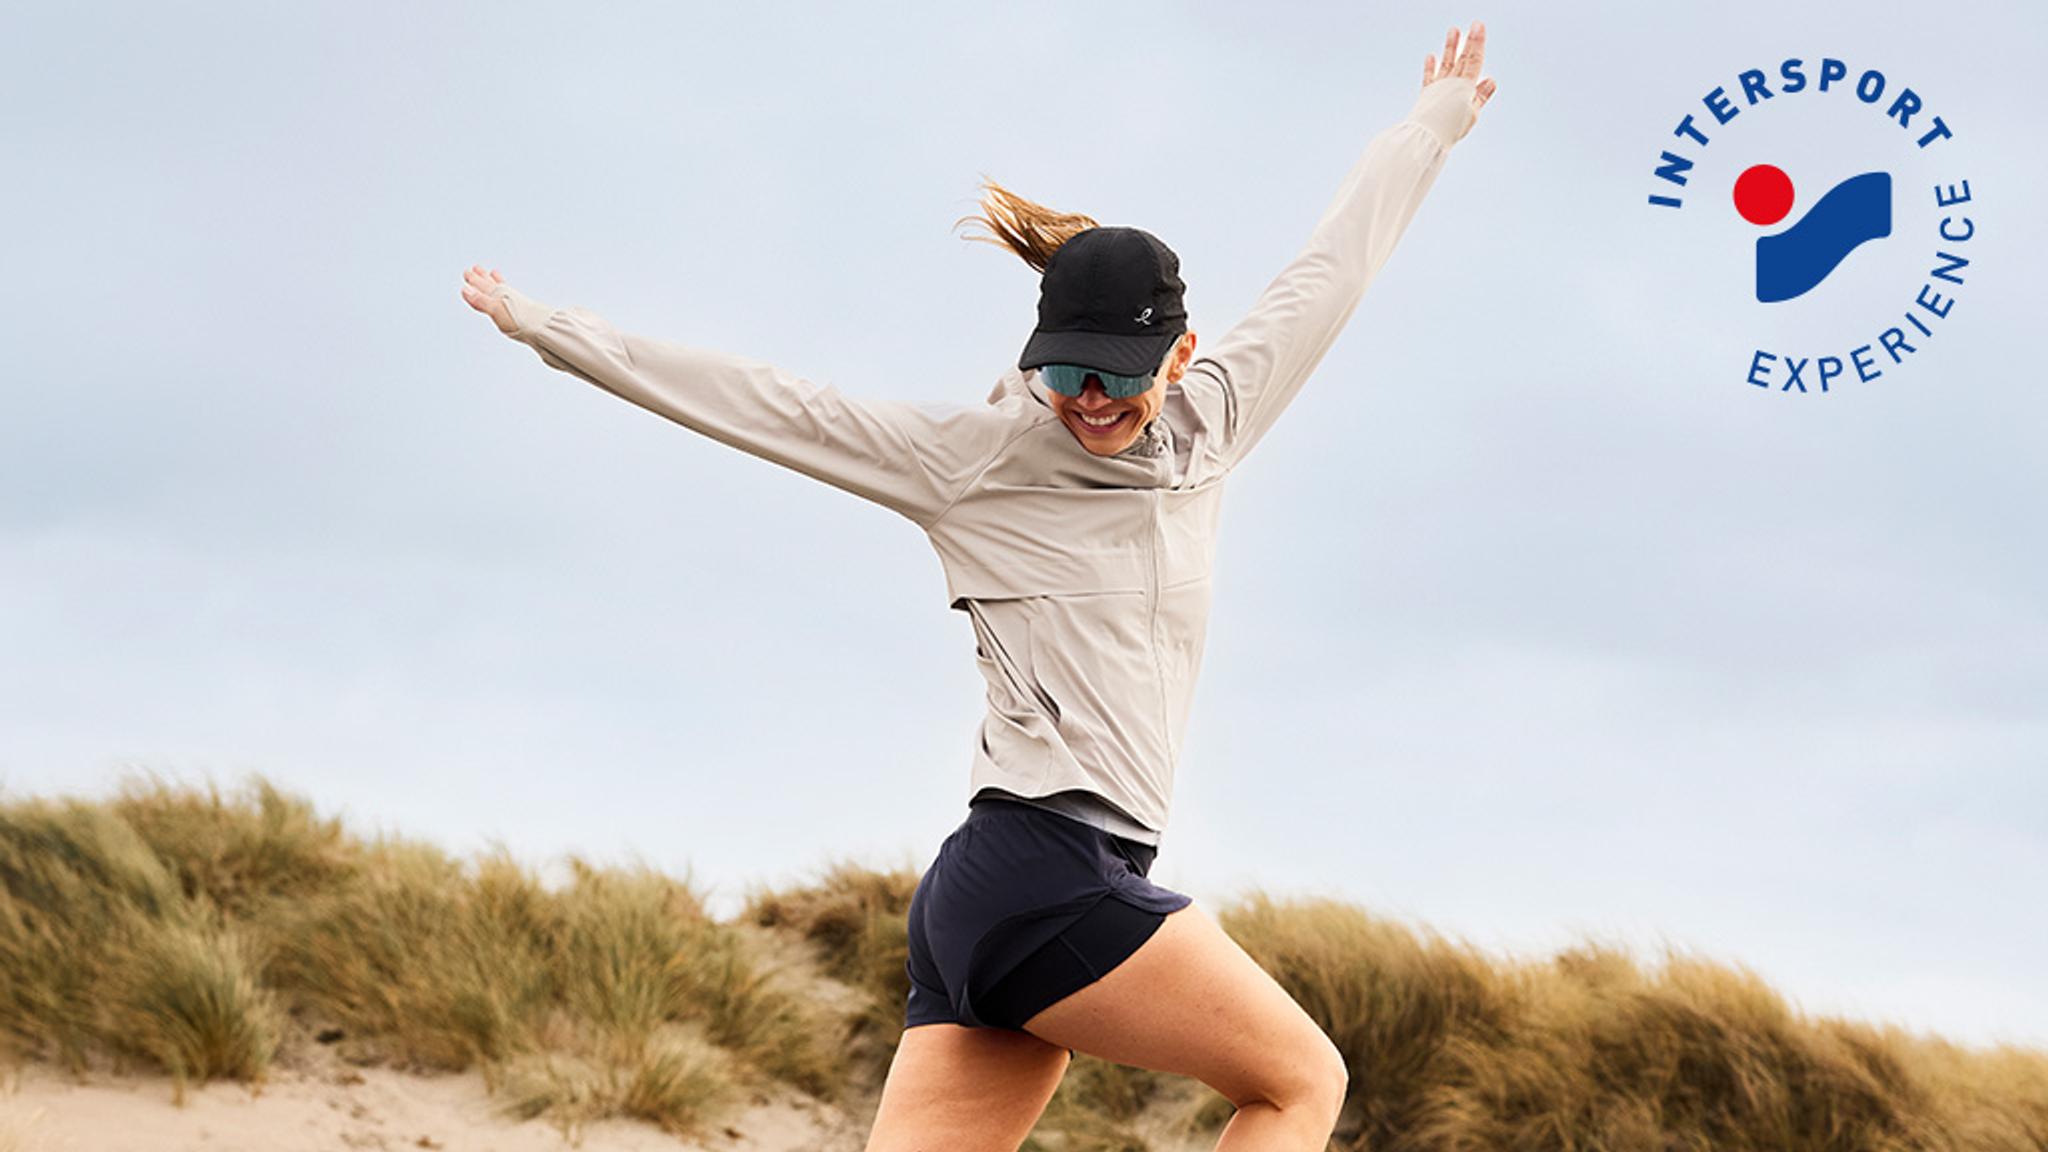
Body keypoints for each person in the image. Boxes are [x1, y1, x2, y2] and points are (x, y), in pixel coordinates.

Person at [461, 21, 1496, 1152]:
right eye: (1061, 371)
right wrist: (548, 329)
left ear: (1179, 355)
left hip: (986, 903)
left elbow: (1330, 268)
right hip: (1047, 870)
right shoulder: (977, 464)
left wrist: (1428, 125)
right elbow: (766, 403)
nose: (1088, 399)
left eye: (1116, 375)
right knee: (1300, 1080)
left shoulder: (1219, 418)